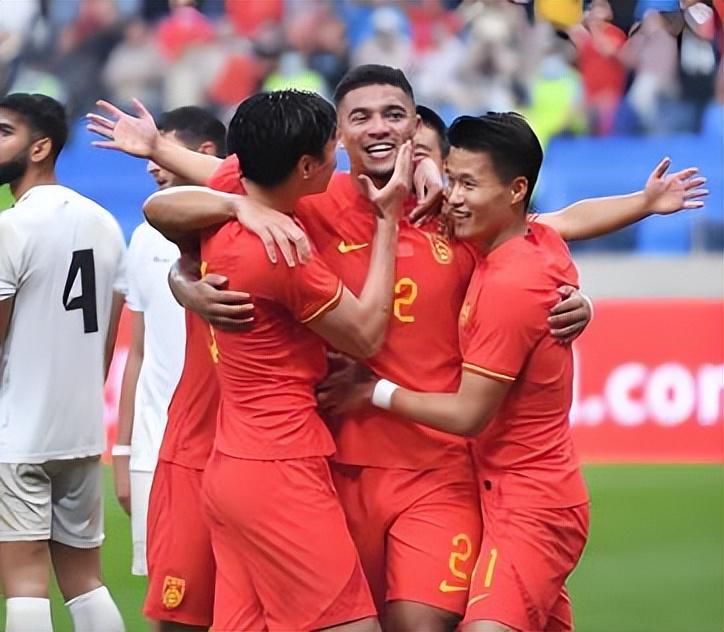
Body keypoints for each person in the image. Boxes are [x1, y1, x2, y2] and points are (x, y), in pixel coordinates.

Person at [89, 65, 706, 632]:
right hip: (335, 463)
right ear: (337, 136)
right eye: (360, 116)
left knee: (419, 622)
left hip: (437, 468)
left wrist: (594, 277)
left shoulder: (453, 209)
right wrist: (186, 278)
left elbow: (546, 229)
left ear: (414, 126)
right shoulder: (309, 200)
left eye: (394, 113)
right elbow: (184, 201)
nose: (378, 126)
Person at [360, 112, 708, 631]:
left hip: (530, 504)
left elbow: (469, 414)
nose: (452, 196)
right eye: (450, 178)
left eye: (468, 183)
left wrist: (373, 392)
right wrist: (643, 202)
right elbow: (570, 218)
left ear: (515, 190)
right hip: (499, 491)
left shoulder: (512, 281)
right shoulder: (524, 239)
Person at [147, 89, 408, 631]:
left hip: (233, 463)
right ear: (307, 166)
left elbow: (159, 208)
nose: (340, 152)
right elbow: (364, 335)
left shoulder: (238, 200)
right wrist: (387, 223)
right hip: (279, 464)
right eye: (333, 144)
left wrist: (227, 215)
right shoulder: (281, 250)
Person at [0, 93, 126, 632]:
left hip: (19, 431)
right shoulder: (104, 222)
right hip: (80, 429)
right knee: (85, 578)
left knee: (25, 583)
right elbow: (109, 333)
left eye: (4, 132)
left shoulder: (11, 228)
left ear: (40, 147)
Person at [112, 106, 226, 588]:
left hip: (230, 445)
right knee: (167, 596)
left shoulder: (240, 231)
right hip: (155, 447)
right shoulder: (142, 237)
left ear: (205, 153)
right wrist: (124, 450)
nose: (150, 166)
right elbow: (137, 352)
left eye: (160, 152)